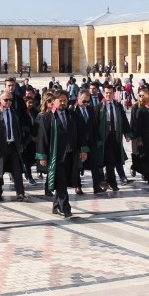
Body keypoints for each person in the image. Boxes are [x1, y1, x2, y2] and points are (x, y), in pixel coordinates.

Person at [37, 90, 88, 219]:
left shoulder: (73, 115)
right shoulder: (47, 117)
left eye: (65, 100)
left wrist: (83, 150)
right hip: (56, 155)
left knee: (64, 181)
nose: (63, 103)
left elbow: (81, 133)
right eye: (60, 100)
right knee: (61, 181)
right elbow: (43, 138)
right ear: (54, 101)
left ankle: (55, 206)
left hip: (71, 154)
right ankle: (64, 208)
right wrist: (42, 156)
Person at [0, 91, 27, 201]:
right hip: (0, 147)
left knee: (17, 170)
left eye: (11, 100)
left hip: (13, 146)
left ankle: (20, 193)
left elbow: (18, 129)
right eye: (6, 100)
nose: (9, 102)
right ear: (0, 100)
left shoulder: (14, 112)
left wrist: (20, 142)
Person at [94, 84, 133, 190]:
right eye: (106, 93)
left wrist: (127, 134)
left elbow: (124, 120)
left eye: (110, 93)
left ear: (114, 93)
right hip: (104, 138)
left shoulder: (118, 106)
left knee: (115, 159)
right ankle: (111, 183)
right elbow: (95, 124)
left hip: (116, 136)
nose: (108, 95)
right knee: (109, 160)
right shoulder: (99, 107)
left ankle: (109, 181)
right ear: (103, 93)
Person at [129, 90, 149, 185]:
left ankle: (144, 172)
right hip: (145, 138)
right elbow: (138, 126)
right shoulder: (141, 110)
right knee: (147, 158)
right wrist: (138, 139)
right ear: (146, 100)